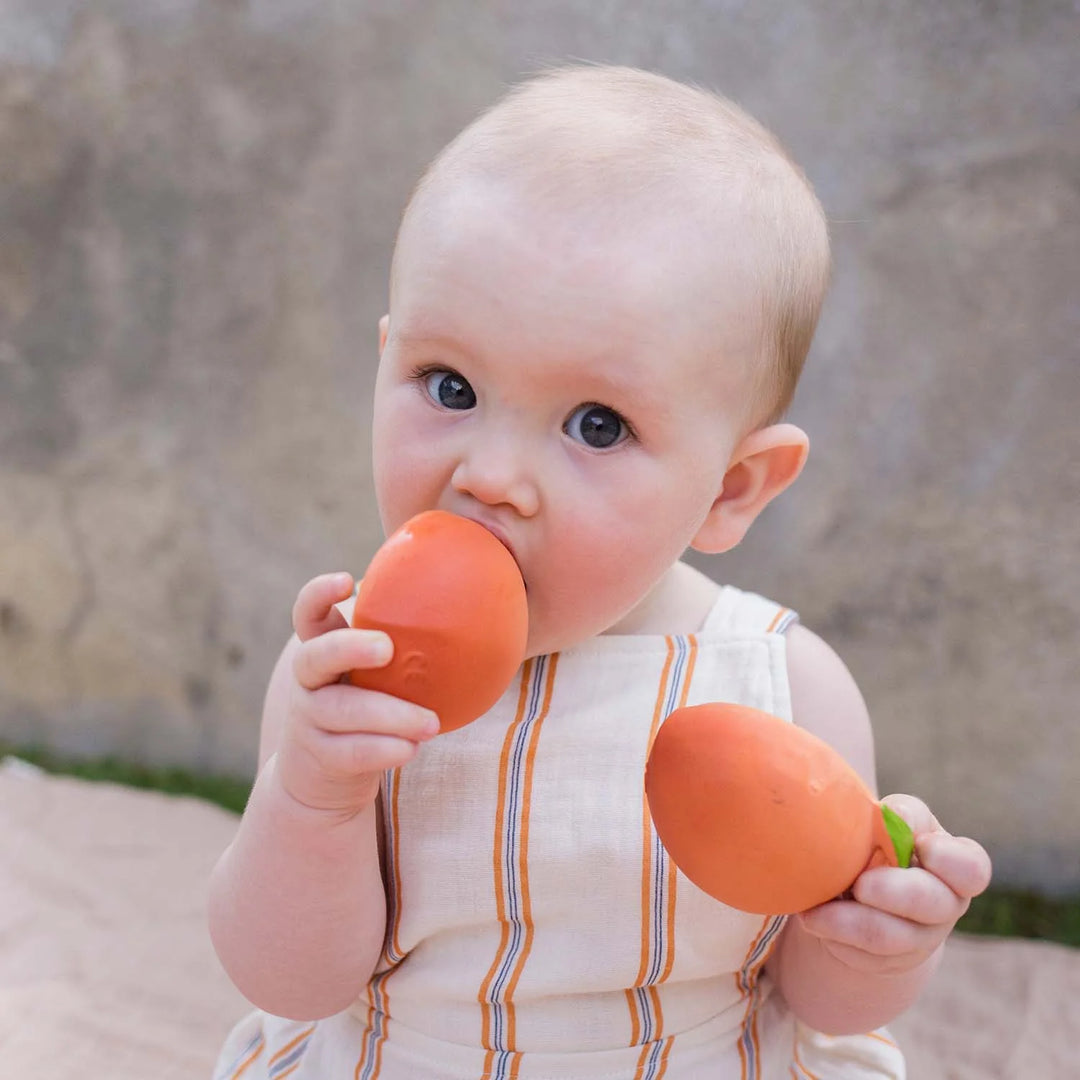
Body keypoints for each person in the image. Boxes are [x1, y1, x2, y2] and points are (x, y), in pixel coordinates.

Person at [208, 64, 991, 1079]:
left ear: (732, 488)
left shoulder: (784, 691)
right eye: (449, 387)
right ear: (384, 362)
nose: (491, 478)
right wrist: (313, 799)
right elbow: (291, 983)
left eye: (597, 425)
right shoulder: (351, 679)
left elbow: (820, 999)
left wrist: (875, 936)